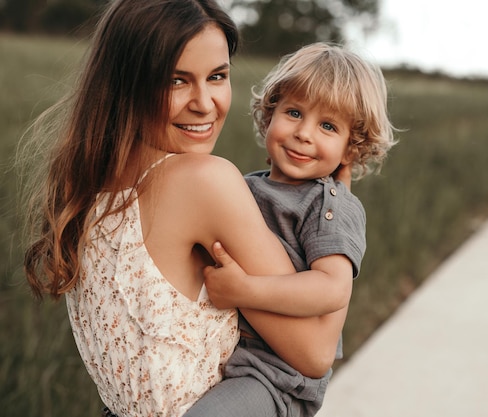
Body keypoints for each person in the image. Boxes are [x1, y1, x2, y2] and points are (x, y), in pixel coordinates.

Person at [19, 1, 348, 416]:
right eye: (176, 81)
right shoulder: (204, 181)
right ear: (128, 82)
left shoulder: (81, 182)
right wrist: (335, 211)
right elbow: (315, 353)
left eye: (217, 76)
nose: (205, 103)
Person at [184, 42, 397, 417]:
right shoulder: (247, 187)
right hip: (225, 354)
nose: (304, 133)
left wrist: (245, 290)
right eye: (294, 113)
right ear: (269, 117)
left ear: (351, 148)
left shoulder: (329, 204)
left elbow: (332, 287)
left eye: (328, 126)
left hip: (275, 379)